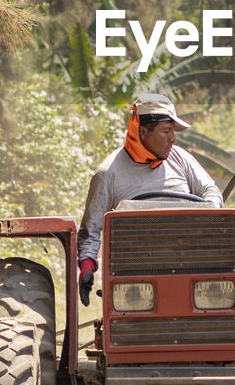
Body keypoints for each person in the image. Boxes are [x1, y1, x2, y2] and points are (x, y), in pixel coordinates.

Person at [77, 92, 224, 304]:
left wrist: (210, 209)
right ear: (143, 132)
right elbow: (91, 230)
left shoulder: (180, 158)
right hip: (136, 278)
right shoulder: (108, 173)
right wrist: (87, 266)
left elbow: (211, 191)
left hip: (191, 264)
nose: (173, 139)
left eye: (173, 132)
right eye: (167, 131)